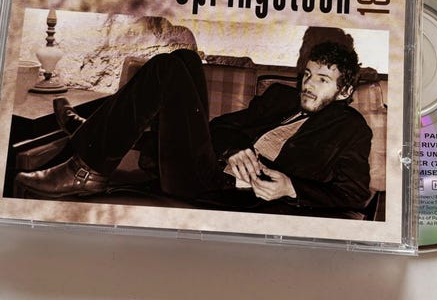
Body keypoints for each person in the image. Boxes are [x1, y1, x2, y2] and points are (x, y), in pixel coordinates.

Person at [15, 41, 373, 218]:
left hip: (223, 192)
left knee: (168, 70)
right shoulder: (281, 98)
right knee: (183, 58)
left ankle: (86, 166)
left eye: (322, 80)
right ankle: (90, 135)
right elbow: (222, 127)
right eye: (307, 75)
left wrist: (290, 187)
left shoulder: (351, 129)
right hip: (210, 163)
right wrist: (232, 151)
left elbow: (355, 195)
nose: (308, 86)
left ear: (344, 91)